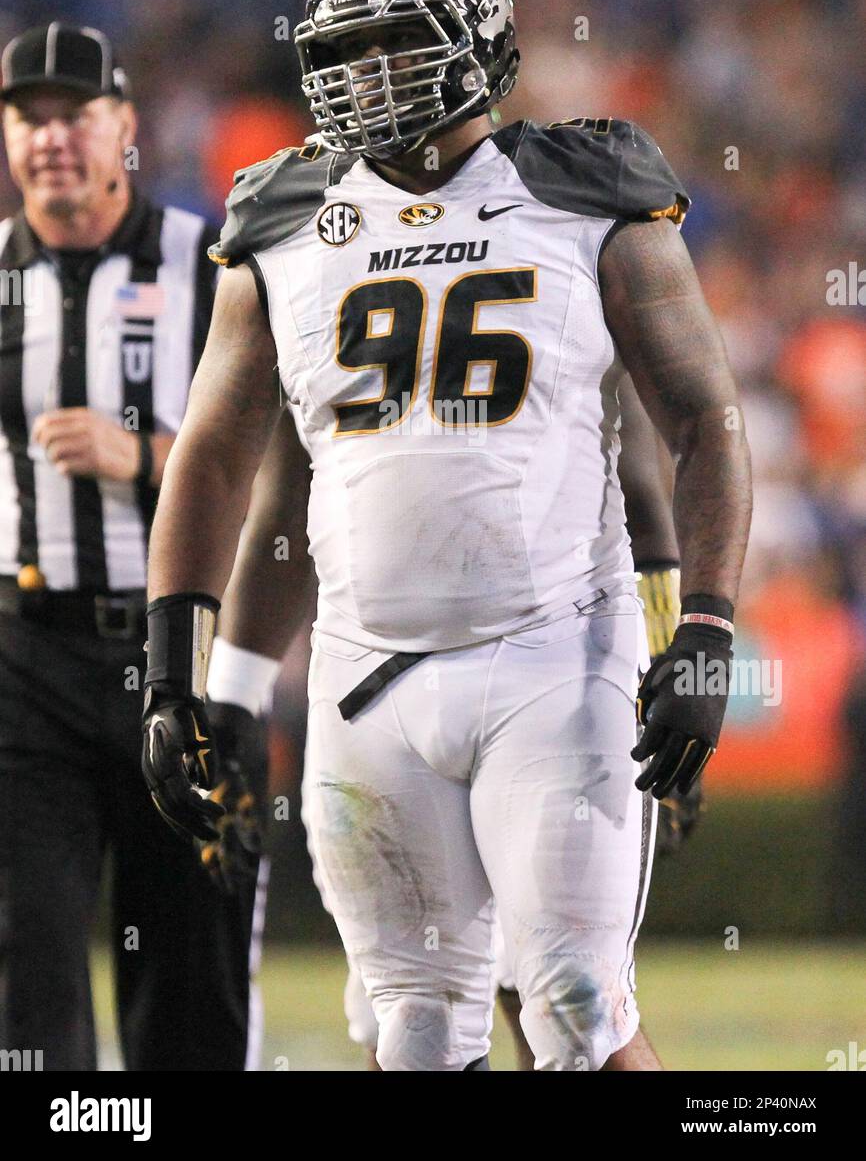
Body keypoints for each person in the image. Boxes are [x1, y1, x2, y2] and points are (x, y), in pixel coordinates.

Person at [142, 0, 752, 1071]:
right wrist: (188, 676)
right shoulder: (281, 214)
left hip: (553, 657)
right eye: (344, 52)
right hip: (363, 675)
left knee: (572, 1006)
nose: (363, 76)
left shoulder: (584, 187)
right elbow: (223, 463)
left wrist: (701, 631)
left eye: (391, 44)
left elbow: (700, 427)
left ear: (474, 36)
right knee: (414, 1025)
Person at [210, 373, 700, 1072]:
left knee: (570, 1007)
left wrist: (671, 668)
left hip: (548, 679)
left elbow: (643, 497)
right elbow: (285, 505)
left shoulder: (576, 297)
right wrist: (232, 700)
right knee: (411, 1020)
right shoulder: (311, 303)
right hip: (380, 688)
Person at [0, 21, 264, 1071]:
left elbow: (283, 467)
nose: (51, 138)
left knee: (191, 974)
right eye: (29, 118)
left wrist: (146, 454)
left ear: (125, 126)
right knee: (29, 968)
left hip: (185, 654)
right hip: (24, 657)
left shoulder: (215, 264)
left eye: (75, 114)